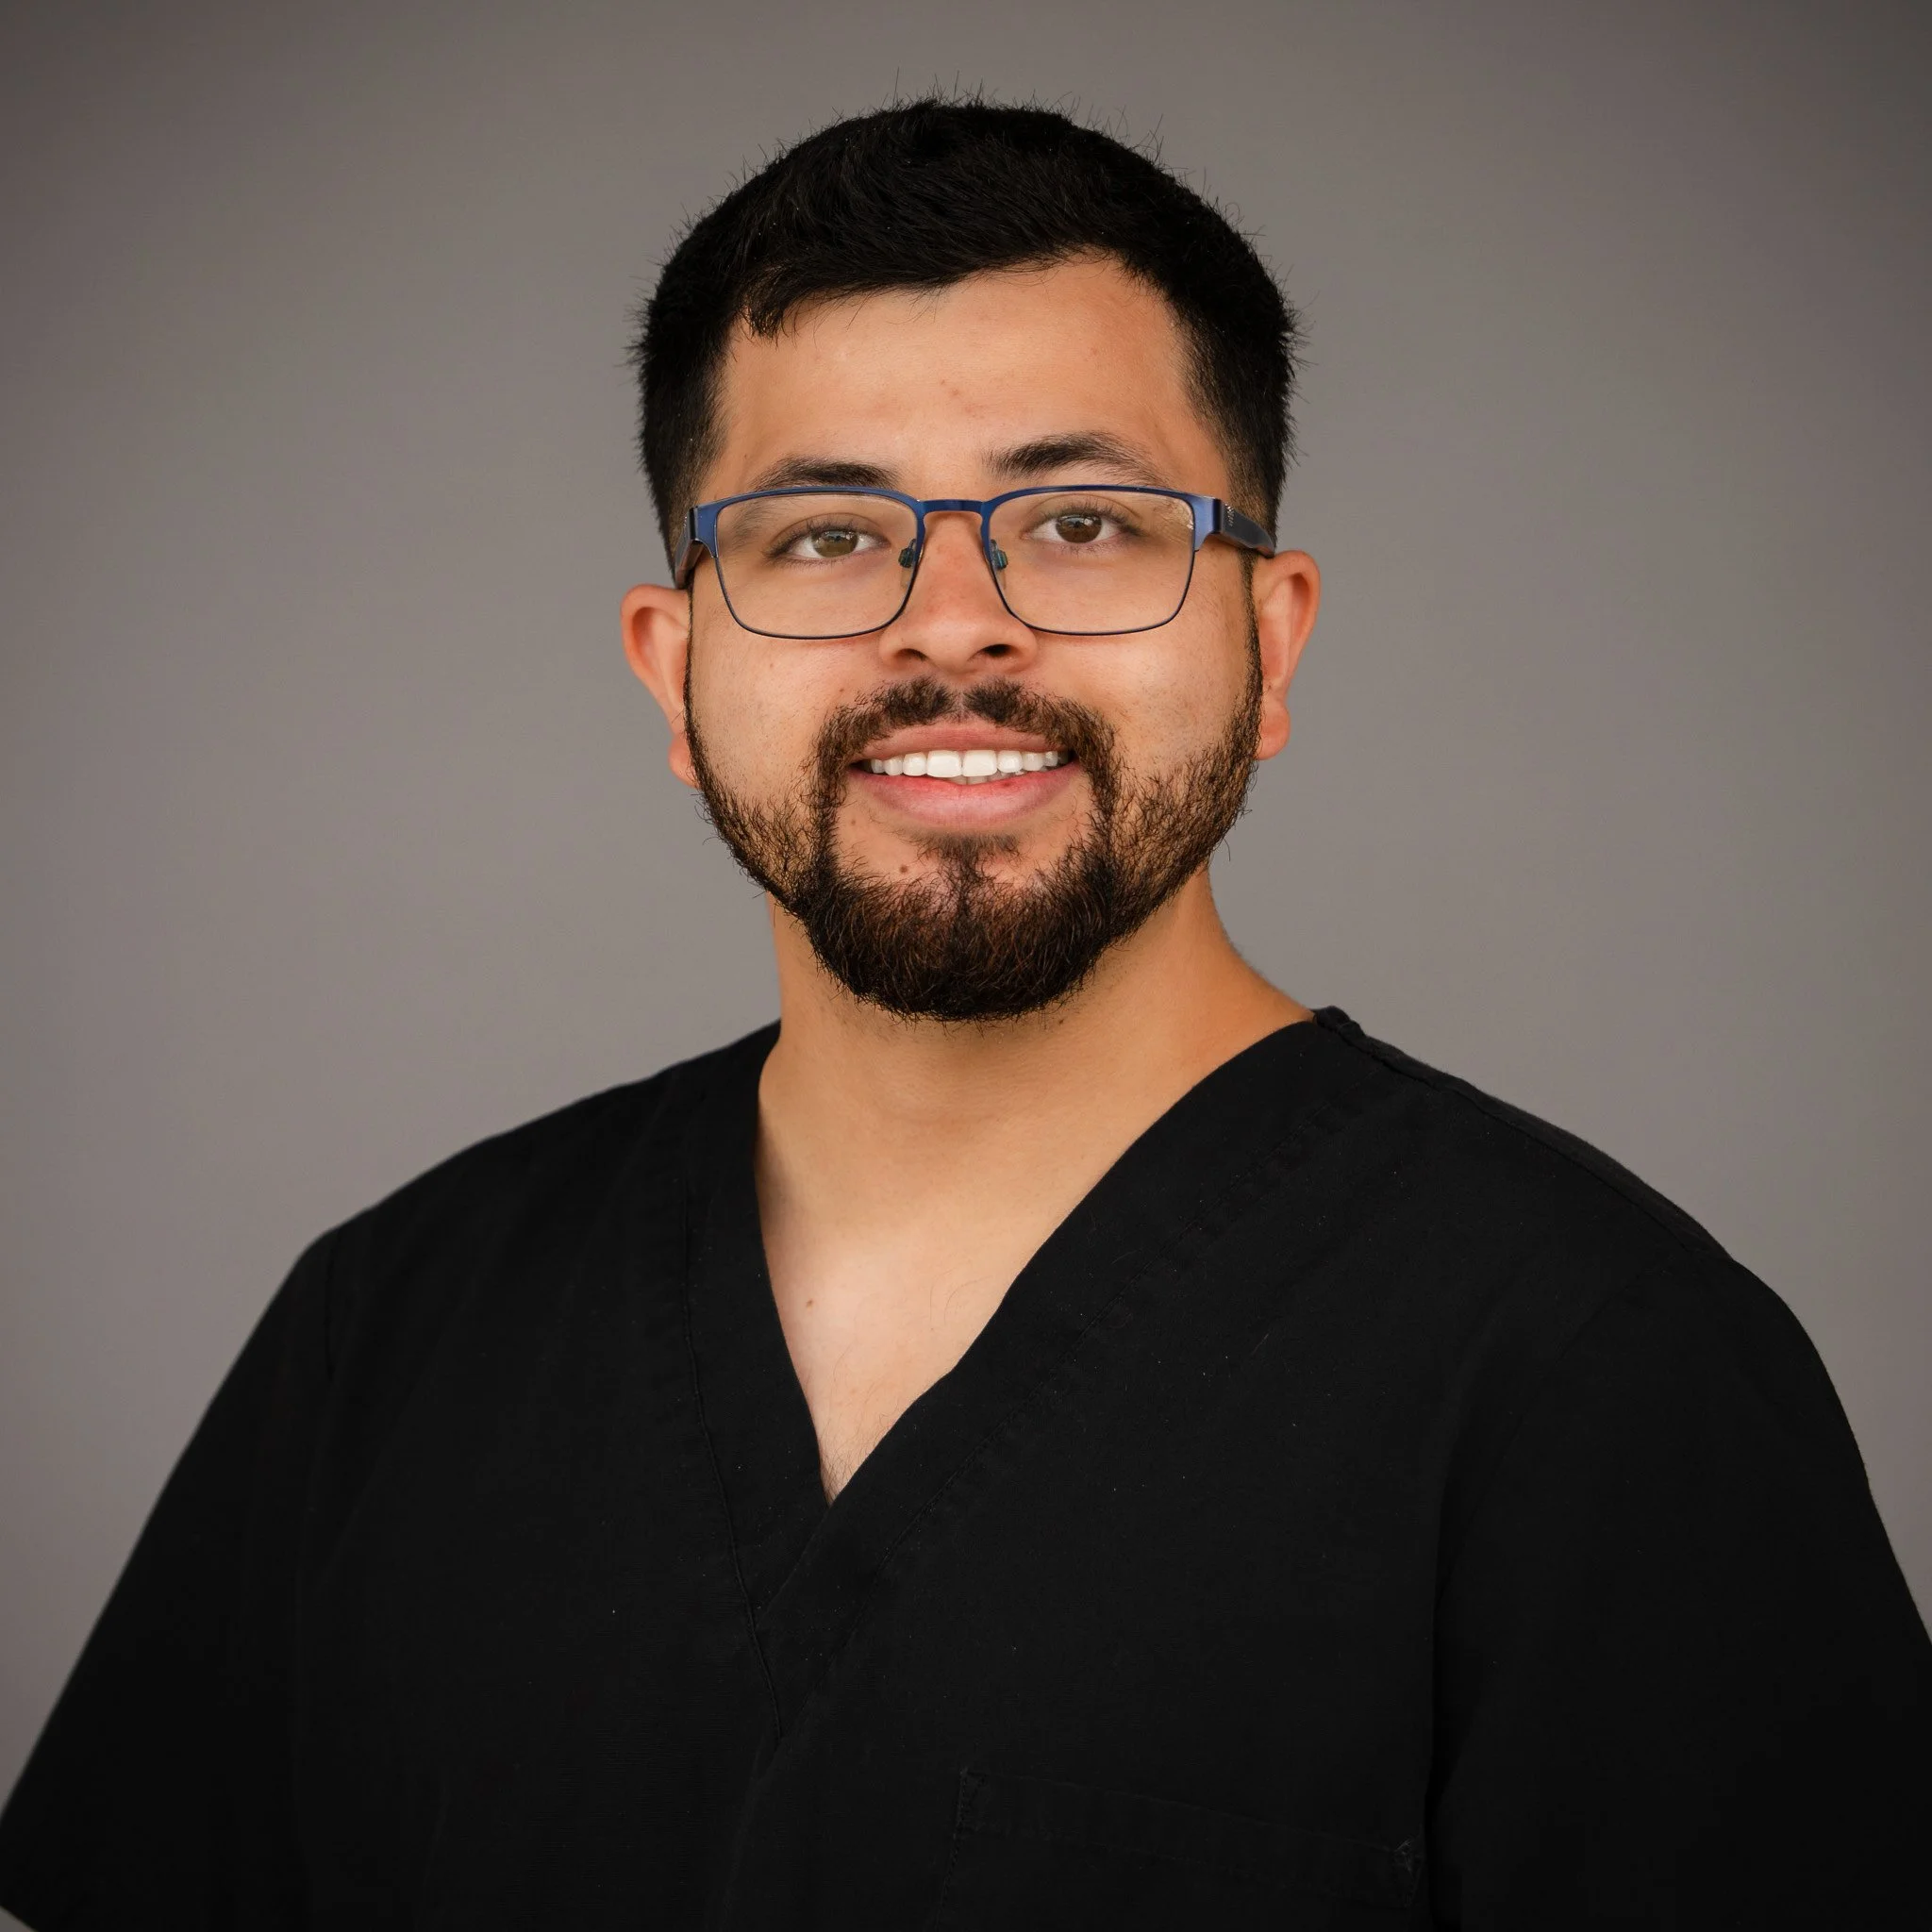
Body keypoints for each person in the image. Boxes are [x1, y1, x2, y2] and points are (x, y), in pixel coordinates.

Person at [1, 96, 1926, 1932]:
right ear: (675, 675)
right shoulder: (395, 1333)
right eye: (824, 536)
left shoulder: (1609, 1378)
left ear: (1269, 640)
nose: (950, 626)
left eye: (1083, 523)